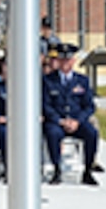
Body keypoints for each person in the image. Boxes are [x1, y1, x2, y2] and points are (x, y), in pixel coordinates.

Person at [43, 43, 100, 185]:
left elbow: (89, 106)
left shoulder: (82, 81)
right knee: (53, 133)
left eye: (68, 59)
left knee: (91, 133)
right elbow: (45, 105)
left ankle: (87, 170)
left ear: (73, 61)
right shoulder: (48, 80)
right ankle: (56, 170)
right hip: (57, 122)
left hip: (77, 121)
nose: (65, 63)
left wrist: (77, 121)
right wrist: (60, 121)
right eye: (62, 59)